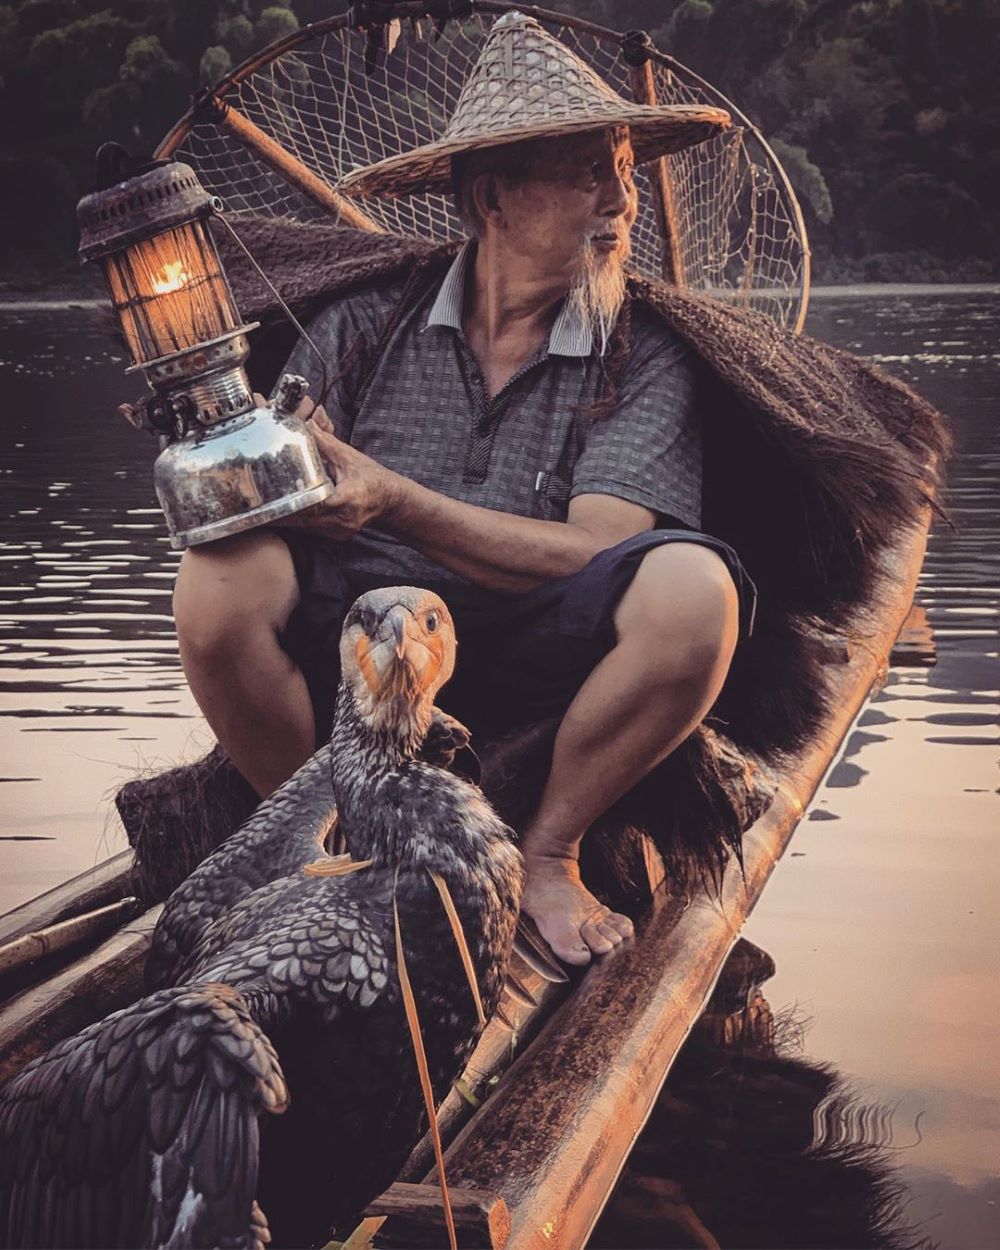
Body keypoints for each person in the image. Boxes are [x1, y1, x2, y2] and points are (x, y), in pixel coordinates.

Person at [172, 13, 756, 965]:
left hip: (548, 646)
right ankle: (338, 840)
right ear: (493, 199)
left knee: (695, 592)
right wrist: (273, 468)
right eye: (587, 171)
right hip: (372, 651)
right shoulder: (365, 325)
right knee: (217, 577)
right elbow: (283, 490)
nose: (623, 200)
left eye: (624, 170)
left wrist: (392, 498)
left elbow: (603, 552)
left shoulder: (641, 357)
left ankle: (550, 853)